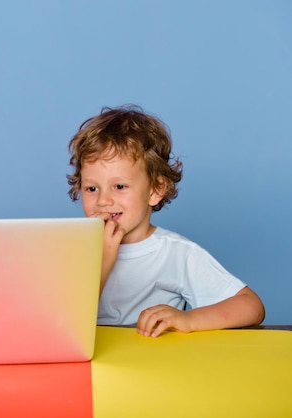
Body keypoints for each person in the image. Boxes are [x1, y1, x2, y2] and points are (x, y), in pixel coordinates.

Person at [67, 105, 265, 337]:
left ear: (155, 189)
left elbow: (252, 306)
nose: (103, 200)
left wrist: (188, 319)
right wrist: (102, 260)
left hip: (154, 365)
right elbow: (65, 324)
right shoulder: (70, 249)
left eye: (119, 186)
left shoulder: (177, 254)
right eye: (92, 188)